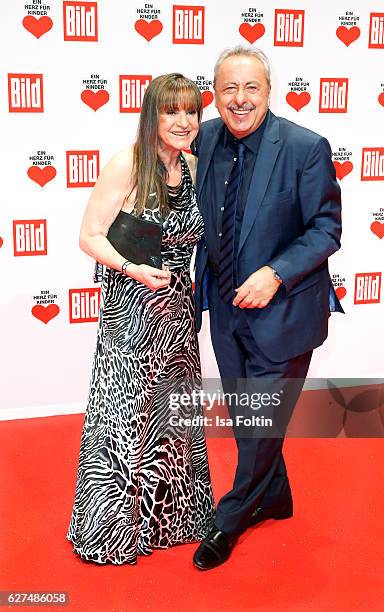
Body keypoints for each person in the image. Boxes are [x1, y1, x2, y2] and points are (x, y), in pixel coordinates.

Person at [192, 47, 343, 570]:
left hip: (283, 313)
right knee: (248, 417)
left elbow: (326, 229)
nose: (239, 100)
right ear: (214, 92)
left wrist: (276, 272)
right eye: (228, 88)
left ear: (269, 90)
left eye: (250, 88)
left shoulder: (305, 147)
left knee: (259, 424)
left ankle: (229, 519)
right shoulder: (204, 137)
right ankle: (274, 495)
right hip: (224, 307)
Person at [66, 73, 215, 565]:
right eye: (171, 111)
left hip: (177, 310)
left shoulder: (194, 166)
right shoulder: (127, 163)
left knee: (172, 416)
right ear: (152, 114)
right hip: (131, 309)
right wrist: (131, 268)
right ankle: (114, 531)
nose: (183, 121)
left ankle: (170, 524)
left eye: (191, 111)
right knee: (127, 418)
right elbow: (90, 235)